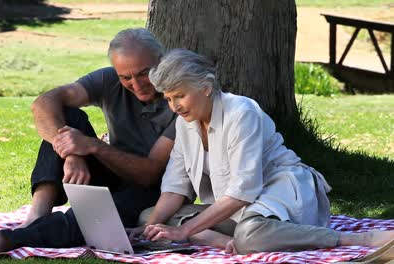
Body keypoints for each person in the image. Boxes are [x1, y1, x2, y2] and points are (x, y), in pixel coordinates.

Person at [131, 49, 394, 254]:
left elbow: (244, 191)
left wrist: (185, 230)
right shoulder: (184, 123)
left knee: (249, 235)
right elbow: (175, 187)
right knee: (150, 216)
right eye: (168, 99)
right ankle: (220, 239)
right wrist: (147, 230)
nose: (174, 106)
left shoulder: (241, 112)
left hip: (281, 193)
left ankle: (353, 239)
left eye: (179, 96)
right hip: (239, 211)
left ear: (206, 88)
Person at [0, 28, 177, 255]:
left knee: (91, 217)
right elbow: (44, 103)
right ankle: (36, 216)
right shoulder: (108, 79)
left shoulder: (180, 99)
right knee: (67, 117)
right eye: (125, 77)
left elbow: (150, 173)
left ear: (161, 61)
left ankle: (5, 240)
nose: (136, 84)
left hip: (156, 190)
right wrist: (71, 153)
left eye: (144, 73)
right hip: (112, 171)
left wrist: (92, 145)